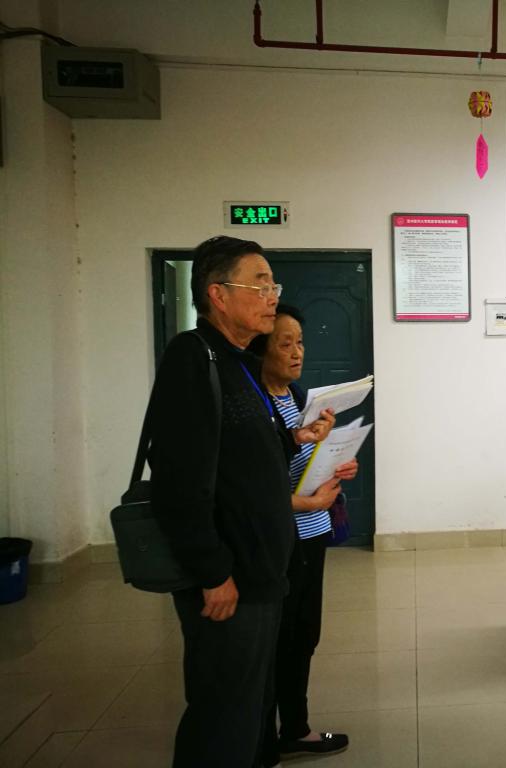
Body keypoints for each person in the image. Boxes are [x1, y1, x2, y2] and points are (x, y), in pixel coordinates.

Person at [149, 236, 335, 768]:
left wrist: (297, 439)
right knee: (223, 711)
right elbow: (179, 480)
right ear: (218, 294)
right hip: (230, 576)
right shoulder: (194, 357)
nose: (272, 295)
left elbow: (245, 458)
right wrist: (212, 571)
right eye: (259, 284)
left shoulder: (239, 364)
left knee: (250, 706)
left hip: (262, 570)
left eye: (273, 284)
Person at [250, 305, 358, 766]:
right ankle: (261, 740)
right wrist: (303, 501)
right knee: (275, 640)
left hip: (311, 531)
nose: (297, 352)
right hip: (278, 536)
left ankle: (295, 728)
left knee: (303, 635)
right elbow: (253, 482)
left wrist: (337, 463)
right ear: (261, 349)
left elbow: (298, 465)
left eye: (300, 342)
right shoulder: (253, 403)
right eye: (285, 343)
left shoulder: (295, 397)